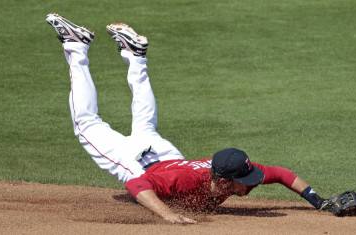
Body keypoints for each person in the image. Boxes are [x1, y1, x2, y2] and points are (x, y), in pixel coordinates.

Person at [45, 13, 334, 224]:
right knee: (87, 124)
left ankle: (136, 57)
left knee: (145, 125)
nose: (251, 184)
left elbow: (281, 174)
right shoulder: (181, 181)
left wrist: (317, 200)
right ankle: (76, 46)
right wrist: (168, 215)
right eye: (244, 181)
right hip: (139, 161)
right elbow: (135, 185)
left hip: (164, 154)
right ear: (222, 182)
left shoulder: (230, 170)